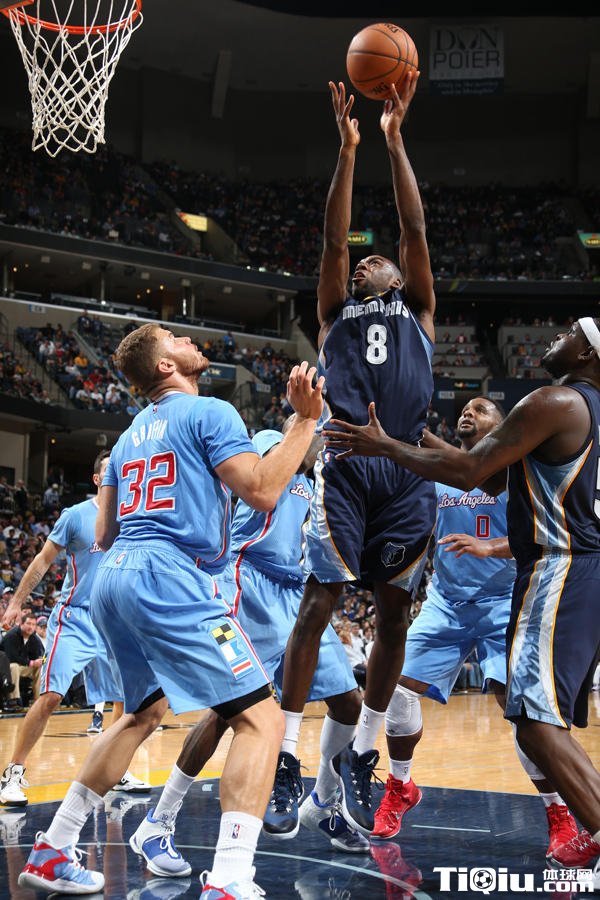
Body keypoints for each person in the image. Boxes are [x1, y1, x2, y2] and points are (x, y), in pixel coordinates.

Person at [18, 324, 324, 898]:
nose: (190, 341)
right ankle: (230, 877)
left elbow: (103, 533)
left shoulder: (127, 436)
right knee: (262, 720)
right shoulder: (210, 412)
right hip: (169, 576)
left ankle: (55, 847)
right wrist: (305, 422)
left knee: (141, 713)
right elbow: (262, 490)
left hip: (113, 578)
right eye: (176, 339)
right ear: (165, 366)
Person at [324, 318, 600, 880]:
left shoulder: (554, 403)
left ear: (589, 353)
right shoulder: (572, 422)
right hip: (461, 600)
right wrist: (407, 433)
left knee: (533, 718)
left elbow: (473, 471)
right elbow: (484, 477)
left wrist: (383, 444)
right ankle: (399, 782)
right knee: (520, 714)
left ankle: (567, 816)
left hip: (545, 574)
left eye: (572, 331)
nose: (557, 336)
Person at [276, 72, 437, 838]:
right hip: (344, 467)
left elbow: (413, 227)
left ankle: (364, 753)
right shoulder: (336, 309)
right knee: (320, 604)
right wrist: (347, 151)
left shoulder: (421, 310)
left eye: (385, 261)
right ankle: (284, 755)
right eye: (365, 261)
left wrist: (394, 142)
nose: (371, 260)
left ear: (402, 277)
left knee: (395, 612)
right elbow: (336, 239)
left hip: (405, 468)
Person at [129, 424, 366, 880]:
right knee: (229, 711)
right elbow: (267, 475)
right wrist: (308, 424)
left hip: (299, 594)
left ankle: (323, 802)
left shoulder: (319, 477)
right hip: (247, 582)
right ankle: (158, 821)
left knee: (348, 702)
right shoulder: (269, 442)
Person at [369, 397, 578, 860]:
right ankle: (401, 785)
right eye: (465, 408)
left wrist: (489, 547)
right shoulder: (442, 471)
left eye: (481, 408)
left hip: (503, 603)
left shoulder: (519, 473)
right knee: (398, 690)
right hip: (446, 602)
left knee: (520, 710)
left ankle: (558, 812)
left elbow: (538, 536)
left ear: (502, 426)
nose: (468, 412)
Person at [0, 451, 148, 808]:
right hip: (76, 617)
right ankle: (13, 772)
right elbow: (43, 561)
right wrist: (17, 602)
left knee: (123, 700)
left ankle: (115, 770)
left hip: (115, 620)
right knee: (51, 695)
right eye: (109, 469)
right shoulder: (76, 515)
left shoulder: (134, 516)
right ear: (97, 479)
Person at [0, 613, 44, 709]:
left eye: (33, 624)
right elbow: (11, 657)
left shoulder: (34, 638)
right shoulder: (11, 636)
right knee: (14, 666)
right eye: (28, 623)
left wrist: (40, 660)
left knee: (39, 667)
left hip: (23, 666)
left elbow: (39, 654)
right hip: (5, 668)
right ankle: (13, 700)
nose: (31, 627)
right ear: (21, 624)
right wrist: (31, 662)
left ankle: (38, 700)